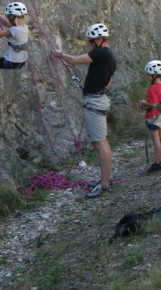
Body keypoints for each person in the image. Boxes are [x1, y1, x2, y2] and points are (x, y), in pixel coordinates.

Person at [52, 23, 116, 199]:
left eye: (91, 41)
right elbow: (108, 82)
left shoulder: (101, 52)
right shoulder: (111, 56)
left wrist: (59, 55)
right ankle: (105, 181)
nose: (89, 44)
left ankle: (104, 185)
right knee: (100, 142)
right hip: (100, 98)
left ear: (100, 39)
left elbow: (74, 60)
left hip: (95, 100)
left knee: (100, 143)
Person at [140, 60, 161, 173]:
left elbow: (152, 104)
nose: (147, 76)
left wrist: (143, 102)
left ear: (154, 75)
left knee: (156, 139)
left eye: (148, 74)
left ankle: (157, 163)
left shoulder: (152, 88)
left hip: (153, 115)